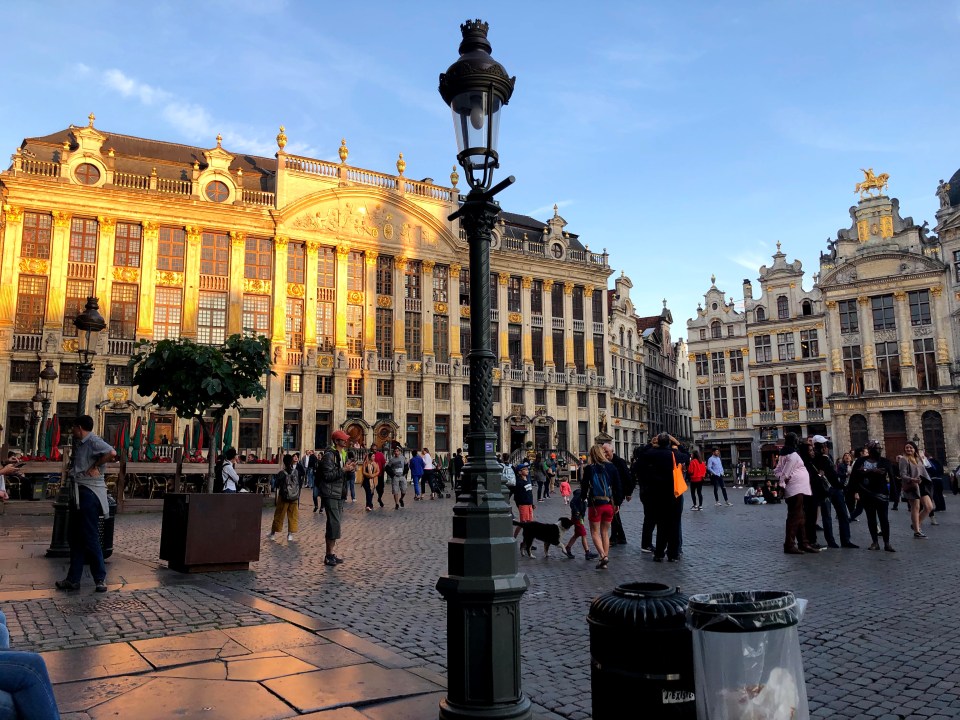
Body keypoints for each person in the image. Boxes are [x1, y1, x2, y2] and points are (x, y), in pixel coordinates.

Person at [55, 415, 116, 593]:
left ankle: (100, 578)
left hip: (88, 493)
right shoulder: (82, 443)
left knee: (90, 535)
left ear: (79, 427)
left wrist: (95, 465)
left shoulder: (93, 441)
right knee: (76, 538)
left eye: (73, 427)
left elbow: (111, 452)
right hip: (81, 491)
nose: (72, 431)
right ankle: (73, 579)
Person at [636, 433, 689, 563]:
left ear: (658, 442)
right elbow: (687, 456)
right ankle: (673, 554)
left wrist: (650, 444)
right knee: (674, 524)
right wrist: (677, 443)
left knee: (661, 524)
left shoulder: (651, 454)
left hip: (657, 494)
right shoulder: (674, 454)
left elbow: (640, 454)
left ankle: (659, 553)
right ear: (669, 443)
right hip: (673, 494)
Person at [317, 430, 356, 566]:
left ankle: (331, 554)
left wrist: (350, 470)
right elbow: (327, 476)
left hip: (340, 493)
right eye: (343, 439)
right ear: (336, 441)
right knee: (334, 523)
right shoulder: (329, 456)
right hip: (331, 493)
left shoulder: (343, 454)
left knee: (335, 523)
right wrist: (344, 470)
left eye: (346, 439)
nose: (346, 441)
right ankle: (328, 555)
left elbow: (342, 476)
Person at [811, 436, 857, 549]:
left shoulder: (827, 456)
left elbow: (832, 473)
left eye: (826, 445)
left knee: (843, 515)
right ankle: (831, 541)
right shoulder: (816, 458)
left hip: (836, 489)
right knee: (827, 516)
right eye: (822, 445)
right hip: (825, 490)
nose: (825, 447)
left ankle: (846, 540)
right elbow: (822, 472)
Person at [773, 432, 815, 555]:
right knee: (794, 517)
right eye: (796, 440)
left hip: (797, 488)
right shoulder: (792, 455)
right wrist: (782, 483)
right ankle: (789, 544)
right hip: (795, 488)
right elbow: (785, 472)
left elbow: (777, 470)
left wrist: (781, 478)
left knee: (800, 517)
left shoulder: (784, 454)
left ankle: (803, 542)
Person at [851, 440, 895, 552]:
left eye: (880, 448)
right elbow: (855, 475)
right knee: (871, 518)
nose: (879, 450)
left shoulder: (885, 461)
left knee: (884, 518)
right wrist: (854, 491)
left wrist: (895, 496)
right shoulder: (861, 461)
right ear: (870, 450)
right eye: (876, 448)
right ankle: (875, 542)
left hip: (881, 494)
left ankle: (887, 542)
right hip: (867, 493)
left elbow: (890, 476)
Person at [582, 444, 617, 569]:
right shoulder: (611, 467)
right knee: (605, 532)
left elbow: (584, 487)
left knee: (595, 532)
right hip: (609, 504)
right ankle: (604, 560)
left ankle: (603, 556)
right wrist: (617, 503)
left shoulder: (589, 468)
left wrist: (582, 499)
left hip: (595, 505)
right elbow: (617, 486)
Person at [899, 441, 932, 539]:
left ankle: (915, 525)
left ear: (914, 449)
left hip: (921, 484)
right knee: (915, 507)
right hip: (911, 485)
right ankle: (917, 531)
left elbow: (925, 469)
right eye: (907, 447)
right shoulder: (903, 459)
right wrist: (913, 479)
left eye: (910, 447)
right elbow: (902, 475)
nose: (908, 449)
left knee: (929, 507)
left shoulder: (918, 458)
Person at [602, 442, 632, 545]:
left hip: (618, 491)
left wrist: (628, 492)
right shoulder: (604, 462)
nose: (605, 454)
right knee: (615, 514)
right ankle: (621, 537)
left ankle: (614, 538)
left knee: (613, 514)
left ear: (612, 451)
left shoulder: (619, 462)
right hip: (609, 492)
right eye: (604, 452)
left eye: (607, 452)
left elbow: (628, 478)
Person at [268, 454, 301, 542]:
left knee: (279, 515)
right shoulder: (296, 472)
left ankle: (273, 534)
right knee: (293, 515)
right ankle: (290, 534)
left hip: (284, 496)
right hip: (294, 497)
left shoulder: (282, 473)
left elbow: (276, 485)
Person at [562, 488, 597, 560]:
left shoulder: (586, 495)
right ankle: (587, 553)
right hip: (577, 517)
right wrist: (577, 512)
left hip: (580, 518)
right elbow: (572, 503)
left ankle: (567, 548)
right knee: (583, 534)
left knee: (577, 534)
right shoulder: (579, 493)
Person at [512, 462, 535, 539]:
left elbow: (530, 493)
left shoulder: (528, 479)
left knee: (530, 523)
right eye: (525, 469)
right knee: (523, 523)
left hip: (529, 504)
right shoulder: (519, 482)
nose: (527, 470)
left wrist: (532, 504)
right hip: (523, 504)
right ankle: (514, 537)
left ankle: (528, 541)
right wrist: (519, 505)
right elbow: (517, 496)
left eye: (527, 469)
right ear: (519, 472)